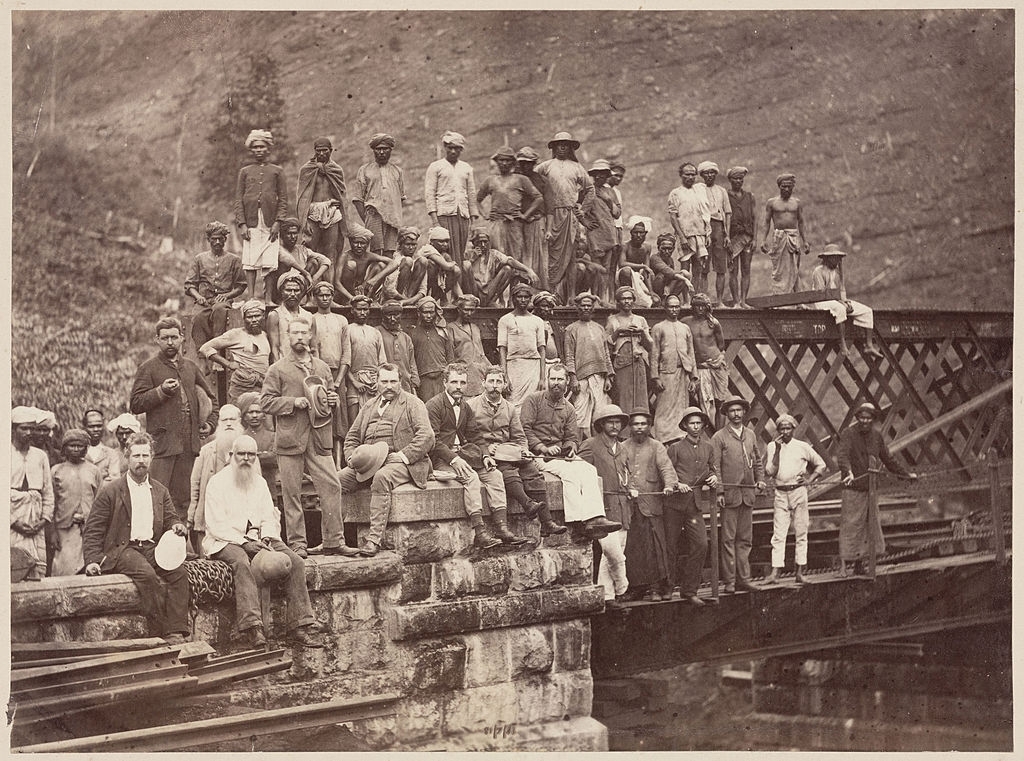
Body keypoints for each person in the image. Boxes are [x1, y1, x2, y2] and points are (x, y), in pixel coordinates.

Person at [202, 435, 323, 649]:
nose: (246, 459)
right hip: (225, 540)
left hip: (260, 539)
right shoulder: (217, 483)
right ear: (232, 455)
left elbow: (269, 516)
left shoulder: (259, 483)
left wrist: (266, 536)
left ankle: (299, 625)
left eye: (251, 454)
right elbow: (215, 524)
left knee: (295, 561)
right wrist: (244, 542)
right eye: (241, 454)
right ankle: (252, 627)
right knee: (242, 563)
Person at [260, 316, 359, 559]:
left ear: (311, 337)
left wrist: (333, 401)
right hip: (290, 440)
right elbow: (265, 402)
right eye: (295, 333)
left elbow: (327, 398)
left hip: (319, 439)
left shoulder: (322, 368)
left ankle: (334, 541)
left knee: (332, 487)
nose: (301, 338)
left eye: (305, 333)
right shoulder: (278, 369)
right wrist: (293, 402)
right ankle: (297, 544)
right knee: (291, 494)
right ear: (288, 337)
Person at [82, 432, 190, 644]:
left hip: (151, 547)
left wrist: (177, 526)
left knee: (179, 574)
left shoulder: (160, 490)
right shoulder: (111, 490)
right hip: (123, 549)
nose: (141, 461)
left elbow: (171, 518)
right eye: (136, 456)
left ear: (152, 457)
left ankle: (177, 630)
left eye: (145, 456)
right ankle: (159, 632)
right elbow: (93, 528)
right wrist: (92, 560)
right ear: (127, 457)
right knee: (147, 576)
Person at [339, 363, 435, 557]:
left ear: (400, 382)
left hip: (402, 462)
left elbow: (427, 436)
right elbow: (352, 437)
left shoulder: (412, 403)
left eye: (393, 381)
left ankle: (373, 540)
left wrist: (402, 455)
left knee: (382, 477)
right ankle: (333, 539)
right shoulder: (368, 406)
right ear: (377, 382)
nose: (389, 386)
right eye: (384, 381)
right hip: (368, 463)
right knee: (336, 481)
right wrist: (353, 457)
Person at [426, 363, 524, 549]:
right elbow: (434, 440)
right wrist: (454, 459)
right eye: (454, 382)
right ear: (444, 383)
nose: (458, 387)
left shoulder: (465, 407)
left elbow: (475, 436)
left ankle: (502, 527)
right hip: (442, 458)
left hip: (464, 454)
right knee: (471, 478)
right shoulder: (434, 405)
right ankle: (480, 532)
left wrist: (486, 456)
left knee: (495, 475)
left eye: (462, 383)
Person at [519, 363, 622, 539]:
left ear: (567, 382)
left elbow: (572, 437)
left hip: (559, 456)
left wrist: (571, 448)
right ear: (547, 380)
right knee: (571, 474)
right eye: (553, 379)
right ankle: (577, 522)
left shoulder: (569, 408)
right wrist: (542, 447)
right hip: (536, 455)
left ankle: (596, 517)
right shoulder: (533, 400)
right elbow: (524, 429)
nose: (556, 383)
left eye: (560, 379)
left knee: (589, 469)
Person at [130, 316, 216, 514]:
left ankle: (182, 542)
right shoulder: (148, 368)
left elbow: (212, 400)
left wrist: (210, 423)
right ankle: (157, 542)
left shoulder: (191, 368)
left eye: (174, 337)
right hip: (162, 445)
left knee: (186, 500)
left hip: (189, 445)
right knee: (157, 498)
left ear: (182, 338)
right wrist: (160, 391)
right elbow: (135, 404)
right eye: (165, 338)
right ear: (157, 340)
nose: (170, 342)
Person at [467, 366, 566, 536]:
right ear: (483, 383)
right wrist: (486, 448)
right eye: (491, 381)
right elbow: (467, 436)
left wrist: (523, 450)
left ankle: (547, 522)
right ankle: (527, 504)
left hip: (507, 451)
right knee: (507, 470)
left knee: (532, 470)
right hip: (483, 454)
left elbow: (519, 436)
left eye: (499, 382)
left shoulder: (509, 408)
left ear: (504, 385)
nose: (494, 386)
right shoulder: (471, 406)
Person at [837, 402, 917, 577]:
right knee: (850, 526)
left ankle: (860, 565)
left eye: (868, 418)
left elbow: (888, 459)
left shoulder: (877, 436)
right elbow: (842, 455)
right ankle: (843, 566)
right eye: (862, 417)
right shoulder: (848, 434)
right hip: (853, 488)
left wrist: (906, 475)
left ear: (872, 419)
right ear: (857, 418)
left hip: (870, 489)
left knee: (868, 526)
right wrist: (848, 472)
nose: (865, 421)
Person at [620, 409, 678, 601]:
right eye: (636, 424)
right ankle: (636, 587)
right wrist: (627, 488)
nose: (639, 428)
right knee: (633, 548)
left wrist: (670, 485)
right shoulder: (622, 447)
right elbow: (619, 472)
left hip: (651, 505)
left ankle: (655, 588)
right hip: (629, 507)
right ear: (630, 427)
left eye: (643, 424)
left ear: (649, 426)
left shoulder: (656, 446)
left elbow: (666, 468)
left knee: (654, 547)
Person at [577, 404, 631, 607]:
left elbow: (627, 475)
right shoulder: (591, 445)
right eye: (610, 421)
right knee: (613, 553)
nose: (615, 425)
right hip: (601, 508)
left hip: (623, 507)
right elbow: (580, 471)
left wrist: (630, 488)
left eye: (618, 421)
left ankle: (608, 596)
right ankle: (622, 585)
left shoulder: (623, 448)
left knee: (614, 555)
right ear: (601, 424)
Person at [710, 396, 765, 593]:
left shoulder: (750, 435)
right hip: (730, 495)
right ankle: (730, 582)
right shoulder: (719, 437)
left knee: (745, 539)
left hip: (748, 494)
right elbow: (714, 466)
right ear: (727, 414)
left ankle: (744, 578)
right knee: (727, 539)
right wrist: (719, 492)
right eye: (732, 411)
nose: (736, 414)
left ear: (744, 412)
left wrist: (760, 479)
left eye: (739, 410)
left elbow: (757, 460)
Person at [666, 407, 719, 605]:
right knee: (669, 547)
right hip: (674, 504)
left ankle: (689, 590)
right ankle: (668, 588)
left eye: (699, 423)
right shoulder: (675, 448)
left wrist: (714, 477)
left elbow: (713, 469)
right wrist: (676, 483)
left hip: (694, 504)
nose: (695, 427)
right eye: (691, 423)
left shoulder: (708, 448)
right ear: (685, 426)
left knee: (701, 544)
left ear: (703, 425)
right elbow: (666, 471)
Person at [764, 414, 826, 585]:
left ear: (793, 428)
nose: (785, 432)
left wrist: (810, 480)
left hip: (798, 491)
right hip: (780, 493)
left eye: (788, 428)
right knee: (779, 534)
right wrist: (776, 450)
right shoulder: (772, 446)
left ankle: (800, 571)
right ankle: (775, 573)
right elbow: (770, 472)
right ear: (778, 430)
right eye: (782, 429)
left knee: (801, 532)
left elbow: (821, 464)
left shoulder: (802, 446)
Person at [534, 132, 594, 302]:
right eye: (559, 144)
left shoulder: (576, 167)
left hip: (570, 215)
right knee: (551, 256)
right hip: (551, 215)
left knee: (571, 257)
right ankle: (552, 292)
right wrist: (539, 205)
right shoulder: (545, 166)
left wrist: (583, 209)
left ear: (570, 148)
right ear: (553, 147)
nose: (562, 147)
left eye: (565, 145)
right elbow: (531, 181)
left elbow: (590, 189)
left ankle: (571, 295)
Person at [235, 129, 289, 300]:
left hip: (270, 221)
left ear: (268, 149)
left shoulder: (277, 171)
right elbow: (238, 200)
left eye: (261, 147)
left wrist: (278, 222)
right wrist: (242, 224)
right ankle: (251, 297)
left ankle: (268, 298)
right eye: (255, 147)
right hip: (251, 220)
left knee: (270, 259)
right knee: (250, 260)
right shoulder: (245, 171)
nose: (258, 150)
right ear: (251, 150)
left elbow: (283, 199)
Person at [186, 404, 243, 557]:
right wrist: (191, 516)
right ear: (219, 423)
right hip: (206, 518)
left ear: (239, 421)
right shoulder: (206, 451)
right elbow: (195, 484)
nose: (229, 423)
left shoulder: (247, 452)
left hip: (235, 521)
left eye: (233, 419)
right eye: (225, 420)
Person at [809, 244, 884, 358]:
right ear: (827, 258)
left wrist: (846, 301)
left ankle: (869, 345)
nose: (837, 260)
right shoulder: (818, 271)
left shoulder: (838, 272)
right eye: (834, 257)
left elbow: (842, 290)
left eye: (838, 258)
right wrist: (841, 303)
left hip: (837, 301)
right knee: (840, 309)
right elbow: (821, 294)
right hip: (822, 301)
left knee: (867, 311)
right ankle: (842, 344)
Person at [184, 221, 246, 350]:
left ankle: (217, 351)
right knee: (198, 317)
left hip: (223, 301)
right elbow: (189, 284)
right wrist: (198, 296)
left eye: (220, 239)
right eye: (214, 239)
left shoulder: (234, 260)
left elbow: (241, 285)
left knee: (219, 311)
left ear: (225, 239)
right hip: (204, 301)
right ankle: (202, 353)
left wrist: (227, 295)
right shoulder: (199, 259)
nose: (217, 242)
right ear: (208, 240)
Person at [49, 429, 103, 576]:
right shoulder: (56, 471)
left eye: (80, 446)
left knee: (88, 568)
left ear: (86, 448)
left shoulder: (94, 471)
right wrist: (53, 531)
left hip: (89, 529)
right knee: (63, 568)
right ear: (64, 448)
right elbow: (51, 502)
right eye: (71, 445)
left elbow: (99, 501)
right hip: (64, 529)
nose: (75, 449)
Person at [476, 145, 543, 264]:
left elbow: (538, 198)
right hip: (496, 224)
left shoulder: (521, 179)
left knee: (516, 256)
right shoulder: (490, 180)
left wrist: (525, 216)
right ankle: (499, 281)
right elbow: (477, 199)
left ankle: (517, 282)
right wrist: (485, 215)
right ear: (497, 162)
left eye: (508, 160)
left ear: (513, 162)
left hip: (515, 224)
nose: (504, 163)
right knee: (496, 256)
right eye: (501, 160)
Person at [11, 406, 54, 580]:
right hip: (11, 521)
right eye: (23, 428)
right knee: (12, 567)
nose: (28, 432)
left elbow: (48, 492)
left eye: (31, 428)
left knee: (36, 571)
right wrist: (14, 522)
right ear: (14, 429)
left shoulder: (40, 456)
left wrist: (43, 520)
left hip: (35, 521)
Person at [563, 292, 613, 441]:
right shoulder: (571, 329)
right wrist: (573, 378)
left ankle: (601, 445)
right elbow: (569, 356)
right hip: (581, 379)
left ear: (593, 308)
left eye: (588, 306)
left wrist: (609, 376)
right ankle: (578, 446)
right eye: (583, 305)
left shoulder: (599, 328)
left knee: (600, 413)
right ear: (578, 308)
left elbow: (606, 353)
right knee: (580, 415)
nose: (586, 308)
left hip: (600, 377)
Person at [200, 300, 271, 403]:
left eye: (257, 316)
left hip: (262, 385)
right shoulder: (235, 334)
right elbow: (205, 348)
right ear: (243, 318)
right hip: (243, 384)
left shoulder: (264, 335)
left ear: (263, 316)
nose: (254, 320)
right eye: (249, 317)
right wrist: (228, 363)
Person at [424, 130, 479, 261]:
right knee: (446, 249)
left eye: (457, 148)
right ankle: (447, 279)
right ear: (445, 148)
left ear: (461, 150)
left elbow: (471, 195)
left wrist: (473, 221)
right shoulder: (436, 166)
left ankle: (459, 278)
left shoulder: (466, 168)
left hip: (463, 215)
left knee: (461, 250)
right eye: (450, 148)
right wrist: (435, 220)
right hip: (444, 215)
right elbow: (429, 193)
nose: (453, 151)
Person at [650, 295, 698, 444]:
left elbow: (691, 353)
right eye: (671, 306)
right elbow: (654, 354)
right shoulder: (659, 328)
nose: (674, 310)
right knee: (664, 407)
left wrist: (693, 377)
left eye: (677, 307)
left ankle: (680, 436)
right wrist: (655, 377)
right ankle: (662, 438)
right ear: (665, 308)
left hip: (683, 372)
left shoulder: (685, 328)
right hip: (666, 373)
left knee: (682, 407)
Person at [296, 136, 349, 268]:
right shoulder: (307, 170)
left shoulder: (336, 170)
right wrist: (304, 220)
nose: (321, 153)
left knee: (331, 251)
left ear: (331, 151)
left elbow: (342, 193)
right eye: (318, 151)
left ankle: (329, 286)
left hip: (331, 212)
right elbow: (302, 196)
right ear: (314, 151)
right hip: (313, 212)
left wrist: (337, 203)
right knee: (310, 250)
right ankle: (312, 285)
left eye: (324, 150)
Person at [338, 294, 387, 425]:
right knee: (355, 422)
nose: (363, 312)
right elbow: (344, 360)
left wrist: (378, 381)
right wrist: (355, 382)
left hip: (373, 382)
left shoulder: (375, 332)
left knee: (375, 420)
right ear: (352, 310)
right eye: (359, 309)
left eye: (365, 309)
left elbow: (382, 362)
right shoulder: (347, 329)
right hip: (355, 382)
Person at [354, 133, 406, 256]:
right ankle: (376, 275)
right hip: (373, 215)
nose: (382, 152)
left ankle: (388, 275)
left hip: (392, 217)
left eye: (385, 149)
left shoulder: (397, 171)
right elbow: (357, 199)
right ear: (374, 150)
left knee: (389, 251)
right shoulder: (365, 170)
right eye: (378, 149)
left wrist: (393, 213)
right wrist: (367, 219)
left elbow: (401, 198)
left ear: (390, 150)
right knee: (375, 251)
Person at [461, 227, 538, 307]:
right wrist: (472, 259)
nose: (483, 245)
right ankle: (472, 301)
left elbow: (510, 260)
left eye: (485, 242)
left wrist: (528, 270)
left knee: (508, 269)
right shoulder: (468, 254)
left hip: (489, 291)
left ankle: (492, 301)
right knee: (466, 265)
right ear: (474, 243)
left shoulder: (493, 254)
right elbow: (462, 272)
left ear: (489, 242)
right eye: (479, 242)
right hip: (473, 290)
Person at [760, 172, 810, 295]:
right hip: (779, 237)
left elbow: (801, 222)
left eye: (789, 186)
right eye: (783, 186)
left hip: (793, 237)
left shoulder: (797, 203)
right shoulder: (772, 202)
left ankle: (797, 298)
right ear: (779, 187)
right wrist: (763, 240)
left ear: (793, 187)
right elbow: (766, 222)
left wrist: (805, 241)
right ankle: (778, 294)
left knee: (795, 268)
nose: (786, 189)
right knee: (779, 269)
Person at [683, 294, 728, 427]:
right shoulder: (686, 322)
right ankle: (705, 432)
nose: (700, 309)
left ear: (707, 307)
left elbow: (721, 345)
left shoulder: (713, 323)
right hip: (699, 366)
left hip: (715, 364)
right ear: (693, 307)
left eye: (702, 306)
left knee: (720, 400)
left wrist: (717, 359)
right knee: (703, 402)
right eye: (697, 306)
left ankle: (720, 432)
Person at [498, 284, 547, 407]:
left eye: (526, 297)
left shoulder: (537, 321)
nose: (523, 300)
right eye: (520, 297)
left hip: (533, 367)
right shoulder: (505, 320)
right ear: (513, 298)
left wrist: (542, 378)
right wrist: (505, 376)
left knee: (533, 404)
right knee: (513, 404)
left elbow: (542, 350)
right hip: (514, 366)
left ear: (530, 298)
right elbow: (502, 349)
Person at [605, 286, 653, 414]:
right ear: (618, 301)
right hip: (621, 364)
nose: (627, 301)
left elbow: (650, 346)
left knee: (641, 397)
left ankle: (640, 426)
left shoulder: (640, 320)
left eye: (629, 298)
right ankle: (624, 431)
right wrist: (619, 332)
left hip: (639, 363)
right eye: (623, 299)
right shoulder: (612, 320)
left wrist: (641, 332)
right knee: (623, 397)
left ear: (634, 300)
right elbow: (606, 345)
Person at [668, 162, 711, 295]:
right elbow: (673, 217)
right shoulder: (676, 193)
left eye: (693, 174)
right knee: (685, 268)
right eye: (687, 174)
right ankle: (685, 299)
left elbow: (705, 214)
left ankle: (696, 297)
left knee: (698, 267)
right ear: (681, 175)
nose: (690, 177)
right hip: (685, 235)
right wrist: (681, 237)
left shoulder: (700, 191)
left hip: (700, 234)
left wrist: (707, 234)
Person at [583, 159, 621, 303]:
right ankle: (595, 298)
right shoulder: (587, 190)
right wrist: (585, 222)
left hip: (610, 234)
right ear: (593, 175)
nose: (599, 177)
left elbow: (617, 213)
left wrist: (608, 201)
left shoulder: (611, 192)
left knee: (608, 269)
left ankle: (605, 299)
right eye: (597, 174)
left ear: (607, 176)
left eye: (603, 174)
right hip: (595, 234)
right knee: (596, 268)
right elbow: (577, 208)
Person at [335, 224, 398, 305]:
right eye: (356, 242)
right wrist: (352, 298)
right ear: (351, 242)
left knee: (380, 266)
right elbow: (336, 283)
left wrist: (374, 279)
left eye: (362, 243)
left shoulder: (368, 256)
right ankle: (349, 301)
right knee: (351, 264)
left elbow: (394, 263)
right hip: (345, 293)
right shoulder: (344, 256)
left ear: (367, 244)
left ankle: (369, 298)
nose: (359, 246)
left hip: (362, 289)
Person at [273, 217, 330, 304]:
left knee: (314, 262)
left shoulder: (302, 249)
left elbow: (326, 261)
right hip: (283, 288)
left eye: (295, 233)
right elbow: (288, 259)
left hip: (300, 287)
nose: (293, 237)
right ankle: (281, 301)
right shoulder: (278, 248)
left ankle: (308, 300)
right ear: (282, 235)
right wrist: (306, 273)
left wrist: (314, 278)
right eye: (289, 233)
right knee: (284, 265)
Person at [514, 146, 549, 290]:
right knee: (518, 255)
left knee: (538, 256)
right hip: (516, 222)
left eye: (529, 163)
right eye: (522, 163)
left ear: (534, 163)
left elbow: (547, 203)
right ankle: (517, 290)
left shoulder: (541, 180)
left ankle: (537, 290)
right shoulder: (513, 178)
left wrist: (530, 215)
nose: (526, 166)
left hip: (535, 221)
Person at [698, 161, 732, 307]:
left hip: (719, 227)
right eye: (706, 173)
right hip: (703, 227)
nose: (709, 175)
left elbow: (728, 213)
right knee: (703, 267)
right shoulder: (698, 190)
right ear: (702, 175)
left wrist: (727, 235)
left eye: (712, 172)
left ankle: (719, 301)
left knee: (720, 267)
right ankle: (703, 301)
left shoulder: (721, 191)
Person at [266, 272, 319, 364]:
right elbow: (274, 348)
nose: (293, 294)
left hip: (305, 365)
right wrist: (279, 370)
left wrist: (316, 369)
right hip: (285, 365)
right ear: (281, 292)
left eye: (296, 290)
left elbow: (314, 348)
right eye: (288, 290)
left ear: (302, 292)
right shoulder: (275, 315)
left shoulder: (309, 316)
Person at [409, 298, 454, 402]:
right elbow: (412, 360)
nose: (429, 316)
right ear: (419, 313)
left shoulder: (443, 332)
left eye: (431, 312)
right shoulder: (413, 333)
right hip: (424, 380)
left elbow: (450, 358)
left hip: (442, 378)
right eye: (425, 312)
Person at [447, 294, 489, 397]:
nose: (469, 313)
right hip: (463, 376)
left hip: (479, 375)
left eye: (472, 310)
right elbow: (450, 356)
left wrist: (492, 368)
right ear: (459, 309)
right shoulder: (451, 328)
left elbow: (481, 353)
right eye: (466, 310)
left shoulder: (475, 328)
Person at [726, 167, 756, 309]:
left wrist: (755, 238)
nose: (738, 181)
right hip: (732, 237)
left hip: (747, 237)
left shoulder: (750, 196)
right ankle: (736, 301)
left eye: (740, 179)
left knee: (746, 269)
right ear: (730, 180)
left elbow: (755, 218)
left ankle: (744, 300)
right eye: (735, 179)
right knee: (733, 270)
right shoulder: (726, 196)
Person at [378, 300, 419, 394]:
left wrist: (414, 384)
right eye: (389, 315)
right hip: (385, 386)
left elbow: (412, 363)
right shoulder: (377, 333)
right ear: (383, 316)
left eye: (396, 315)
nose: (392, 319)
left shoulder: (406, 337)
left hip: (405, 386)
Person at [237, 391, 278, 487]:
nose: (254, 416)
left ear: (264, 415)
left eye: (258, 412)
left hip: (269, 484)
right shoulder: (240, 437)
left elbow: (275, 459)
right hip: (245, 484)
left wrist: (249, 457)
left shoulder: (273, 436)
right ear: (245, 416)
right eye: (250, 412)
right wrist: (263, 455)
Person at [383, 227, 430, 307]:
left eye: (414, 245)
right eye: (408, 244)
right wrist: (404, 300)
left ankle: (408, 299)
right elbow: (389, 290)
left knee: (424, 260)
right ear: (401, 245)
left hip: (410, 298)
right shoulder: (395, 259)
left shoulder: (418, 260)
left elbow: (423, 290)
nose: (411, 248)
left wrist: (409, 301)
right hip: (395, 296)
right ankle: (403, 300)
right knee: (408, 261)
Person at [615, 216, 655, 307]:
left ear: (646, 233)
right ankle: (626, 296)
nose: (638, 235)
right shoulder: (625, 246)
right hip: (623, 276)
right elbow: (622, 264)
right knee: (627, 271)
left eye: (641, 233)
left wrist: (651, 291)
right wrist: (642, 266)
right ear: (631, 233)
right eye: (635, 232)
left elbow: (646, 272)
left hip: (638, 279)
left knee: (654, 301)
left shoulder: (647, 247)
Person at [420, 226, 463, 305]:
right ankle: (428, 297)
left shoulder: (444, 255)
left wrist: (461, 297)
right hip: (421, 284)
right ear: (432, 241)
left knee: (455, 271)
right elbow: (448, 266)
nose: (445, 244)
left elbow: (455, 276)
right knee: (431, 265)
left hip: (436, 286)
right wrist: (453, 264)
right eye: (441, 242)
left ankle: (438, 297)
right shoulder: (428, 249)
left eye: (447, 241)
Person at [648, 233, 693, 306]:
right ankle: (661, 299)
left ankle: (681, 301)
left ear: (673, 248)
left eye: (669, 249)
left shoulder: (670, 260)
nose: (667, 251)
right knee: (661, 276)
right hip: (654, 290)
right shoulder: (654, 258)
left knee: (685, 273)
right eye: (664, 248)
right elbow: (668, 272)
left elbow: (671, 278)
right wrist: (686, 280)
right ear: (658, 247)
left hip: (666, 289)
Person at [82, 409, 120, 481]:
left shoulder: (111, 454)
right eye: (91, 426)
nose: (96, 429)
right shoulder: (78, 452)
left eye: (99, 426)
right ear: (84, 428)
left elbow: (114, 481)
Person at [608, 162, 627, 247]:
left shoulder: (617, 192)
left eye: (621, 176)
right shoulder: (603, 190)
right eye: (616, 175)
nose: (619, 178)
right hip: (607, 228)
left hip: (618, 227)